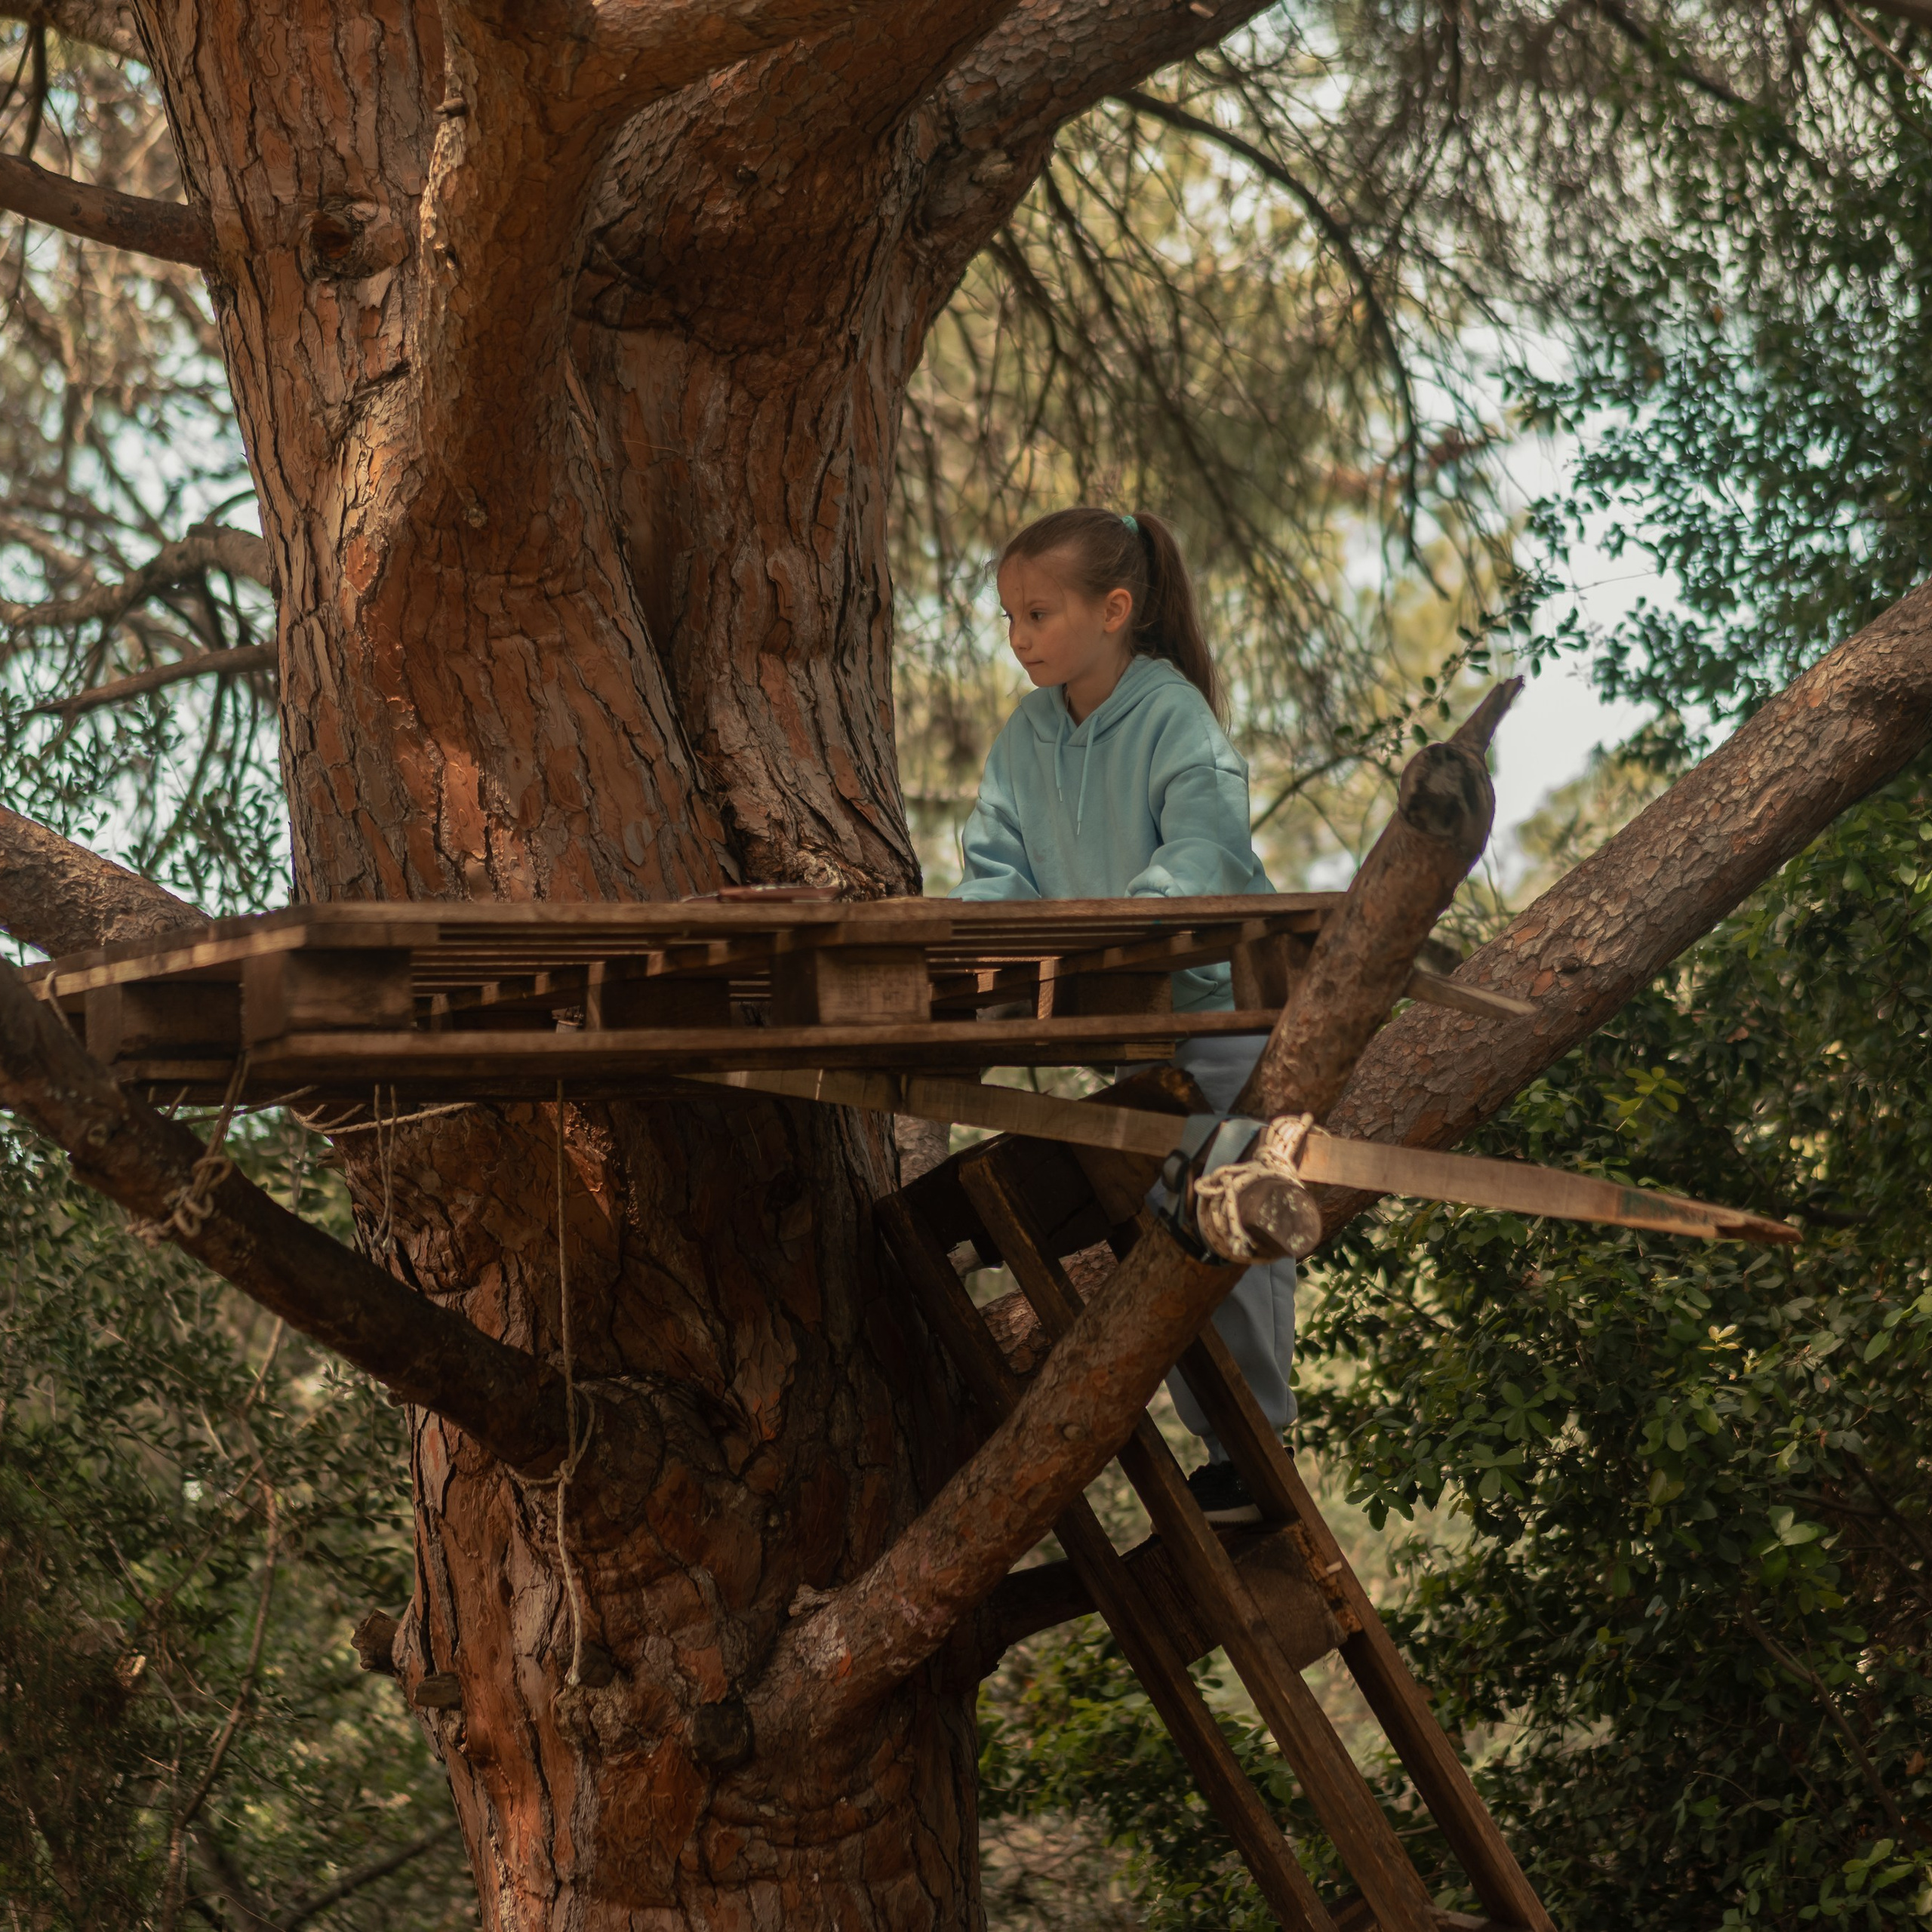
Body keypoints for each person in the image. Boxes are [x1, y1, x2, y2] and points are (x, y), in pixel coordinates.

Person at [952, 504, 1290, 1524]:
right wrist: (978, 938)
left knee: (1228, 1224)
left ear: (1114, 610)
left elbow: (1202, 851)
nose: (1020, 638)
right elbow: (996, 868)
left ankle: (1256, 1455)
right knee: (1160, 1239)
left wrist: (1124, 929)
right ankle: (1225, 1457)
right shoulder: (1026, 737)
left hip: (1221, 1021)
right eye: (1009, 618)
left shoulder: (1173, 715)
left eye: (1039, 614)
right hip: (1133, 1032)